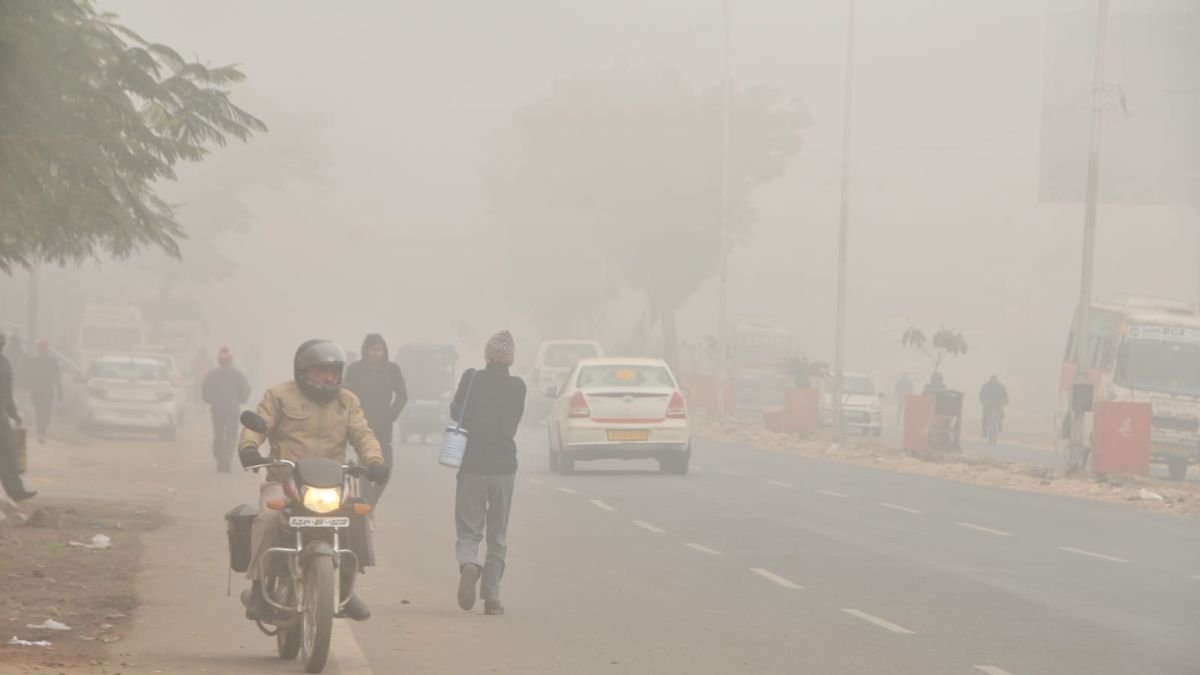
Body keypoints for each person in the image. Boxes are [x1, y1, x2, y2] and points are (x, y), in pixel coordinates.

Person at [237, 339, 389, 622]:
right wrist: (249, 448)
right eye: (321, 371)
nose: (329, 377)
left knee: (360, 516)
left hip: (334, 483)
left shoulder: (348, 401)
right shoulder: (279, 395)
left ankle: (346, 587)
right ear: (303, 371)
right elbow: (258, 425)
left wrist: (375, 461)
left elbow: (363, 435)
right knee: (268, 519)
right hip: (285, 481)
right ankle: (258, 588)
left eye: (333, 371)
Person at [452, 330, 526, 616]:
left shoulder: (472, 379)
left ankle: (469, 563)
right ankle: (492, 597)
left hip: (472, 464)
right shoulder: (518, 387)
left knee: (469, 527)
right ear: (510, 359)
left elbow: (456, 412)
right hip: (504, 468)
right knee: (498, 534)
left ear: (487, 354)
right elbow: (514, 421)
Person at [344, 334, 407, 506]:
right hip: (361, 425)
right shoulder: (355, 370)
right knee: (364, 467)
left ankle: (370, 503)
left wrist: (391, 415)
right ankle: (365, 504)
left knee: (385, 468)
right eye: (372, 349)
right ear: (365, 350)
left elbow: (402, 395)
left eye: (379, 349)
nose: (376, 353)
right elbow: (345, 395)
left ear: (384, 350)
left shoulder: (392, 369)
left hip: (383, 426)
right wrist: (351, 417)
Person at [202, 346, 251, 472]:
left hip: (217, 409)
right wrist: (240, 400)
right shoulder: (238, 375)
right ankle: (226, 459)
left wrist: (212, 400)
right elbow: (245, 391)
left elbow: (205, 392)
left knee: (218, 434)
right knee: (230, 435)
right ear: (231, 360)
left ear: (219, 360)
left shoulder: (212, 375)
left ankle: (220, 459)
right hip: (232, 409)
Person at [0, 334, 35, 502]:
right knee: (7, 453)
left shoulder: (4, 363)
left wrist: (13, 414)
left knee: (7, 453)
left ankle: (15, 490)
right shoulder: (4, 363)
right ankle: (15, 490)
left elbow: (6, 394)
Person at [28, 341, 62, 443]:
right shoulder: (52, 362)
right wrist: (60, 392)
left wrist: (29, 388)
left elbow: (29, 377)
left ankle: (41, 433)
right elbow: (57, 378)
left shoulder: (34, 361)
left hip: (38, 391)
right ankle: (42, 432)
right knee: (45, 413)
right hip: (46, 391)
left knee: (39, 412)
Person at [190, 347, 213, 412]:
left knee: (204, 394)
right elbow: (193, 370)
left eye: (204, 353)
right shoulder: (195, 361)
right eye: (201, 353)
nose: (203, 354)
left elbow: (212, 370)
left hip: (206, 381)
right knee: (197, 393)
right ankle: (197, 407)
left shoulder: (209, 361)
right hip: (198, 380)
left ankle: (203, 408)